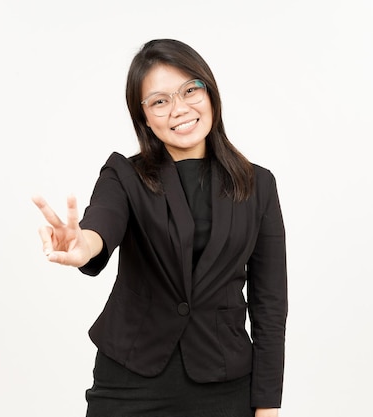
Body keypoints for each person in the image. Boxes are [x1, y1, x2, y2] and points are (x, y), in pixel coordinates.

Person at [32, 39, 287, 417]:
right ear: (145, 117)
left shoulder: (258, 185)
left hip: (224, 384)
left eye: (190, 90)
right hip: (131, 381)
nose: (179, 108)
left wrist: (267, 405)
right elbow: (103, 220)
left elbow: (270, 305)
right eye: (160, 101)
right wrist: (84, 244)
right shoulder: (124, 175)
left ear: (210, 92)